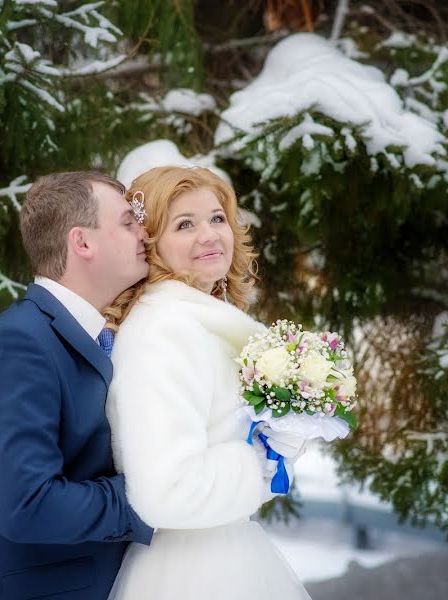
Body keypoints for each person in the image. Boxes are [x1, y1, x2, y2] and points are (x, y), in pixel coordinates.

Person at [0, 171, 154, 600]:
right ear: (83, 242)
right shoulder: (19, 343)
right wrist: (153, 496)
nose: (144, 233)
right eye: (128, 222)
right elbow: (29, 506)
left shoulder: (103, 336)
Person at [103, 166, 312, 599]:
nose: (210, 235)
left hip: (224, 554)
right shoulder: (164, 332)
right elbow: (166, 492)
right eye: (185, 224)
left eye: (217, 218)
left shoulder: (198, 323)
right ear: (150, 244)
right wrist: (263, 461)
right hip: (193, 573)